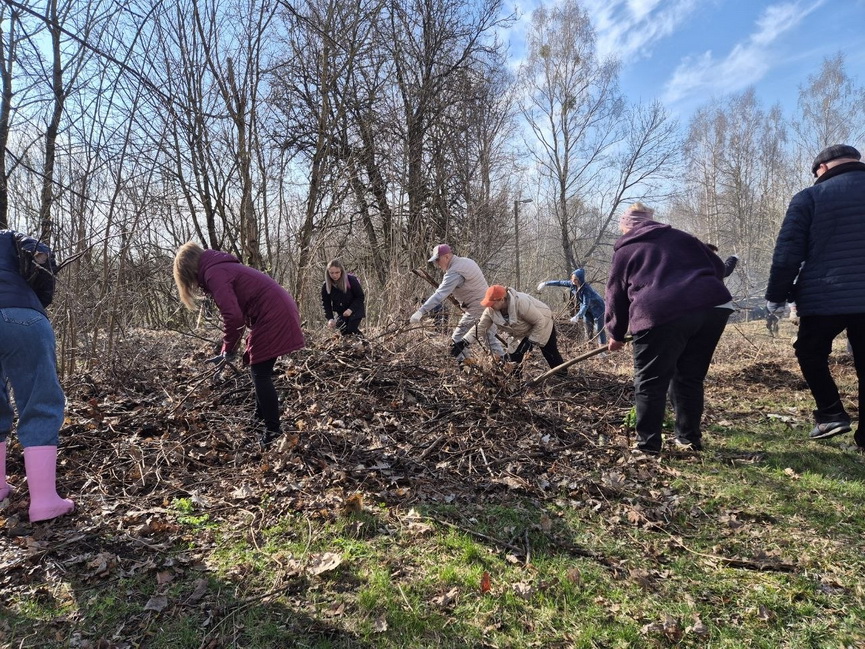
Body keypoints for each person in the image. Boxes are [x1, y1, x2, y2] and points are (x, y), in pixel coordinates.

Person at [605, 203, 734, 454]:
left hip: (660, 311)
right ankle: (689, 440)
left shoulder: (626, 249)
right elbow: (719, 268)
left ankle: (648, 447)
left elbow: (615, 295)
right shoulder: (683, 237)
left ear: (625, 225)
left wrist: (615, 334)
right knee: (689, 376)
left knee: (650, 382)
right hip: (713, 307)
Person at [765, 144, 865, 446]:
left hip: (826, 294)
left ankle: (831, 414)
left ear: (822, 168)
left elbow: (787, 253)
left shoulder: (810, 197)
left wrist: (776, 296)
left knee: (810, 351)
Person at [173, 242, 305, 447]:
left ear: (190, 270)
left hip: (273, 313)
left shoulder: (213, 273)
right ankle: (258, 418)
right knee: (258, 368)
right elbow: (238, 314)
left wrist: (228, 349)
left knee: (260, 373)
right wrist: (230, 348)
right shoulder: (218, 267)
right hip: (276, 309)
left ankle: (273, 432)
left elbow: (233, 317)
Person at [0, 229, 74, 522]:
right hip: (22, 315)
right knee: (39, 401)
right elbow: (40, 253)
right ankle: (44, 501)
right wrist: (40, 295)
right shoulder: (7, 236)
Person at [409, 244, 504, 361]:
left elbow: (440, 294)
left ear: (447, 257)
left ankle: (467, 367)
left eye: (438, 260)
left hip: (477, 308)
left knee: (457, 339)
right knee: (490, 340)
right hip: (488, 306)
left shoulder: (454, 272)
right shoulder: (467, 261)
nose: (437, 264)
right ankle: (507, 367)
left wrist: (421, 311)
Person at [477, 285, 565, 373]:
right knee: (514, 356)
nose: (490, 306)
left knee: (550, 352)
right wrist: (464, 342)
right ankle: (516, 383)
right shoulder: (491, 310)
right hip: (521, 330)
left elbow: (539, 321)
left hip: (543, 321)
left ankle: (563, 377)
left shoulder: (521, 302)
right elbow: (480, 327)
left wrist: (531, 341)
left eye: (492, 303)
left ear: (502, 300)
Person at [537, 268, 606, 345]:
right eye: (572, 278)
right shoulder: (572, 284)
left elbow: (586, 304)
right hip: (586, 308)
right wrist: (546, 283)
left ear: (580, 279)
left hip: (597, 307)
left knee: (598, 328)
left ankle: (602, 348)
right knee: (587, 325)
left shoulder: (586, 289)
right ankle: (589, 345)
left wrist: (578, 316)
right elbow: (559, 283)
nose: (573, 281)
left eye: (575, 279)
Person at [321, 259, 366, 337]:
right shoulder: (326, 286)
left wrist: (350, 309)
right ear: (328, 273)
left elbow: (360, 297)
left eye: (337, 272)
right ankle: (350, 347)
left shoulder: (351, 280)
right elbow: (326, 303)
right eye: (331, 273)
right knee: (344, 331)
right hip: (341, 312)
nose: (334, 275)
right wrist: (330, 318)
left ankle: (365, 344)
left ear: (341, 271)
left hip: (355, 309)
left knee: (352, 329)